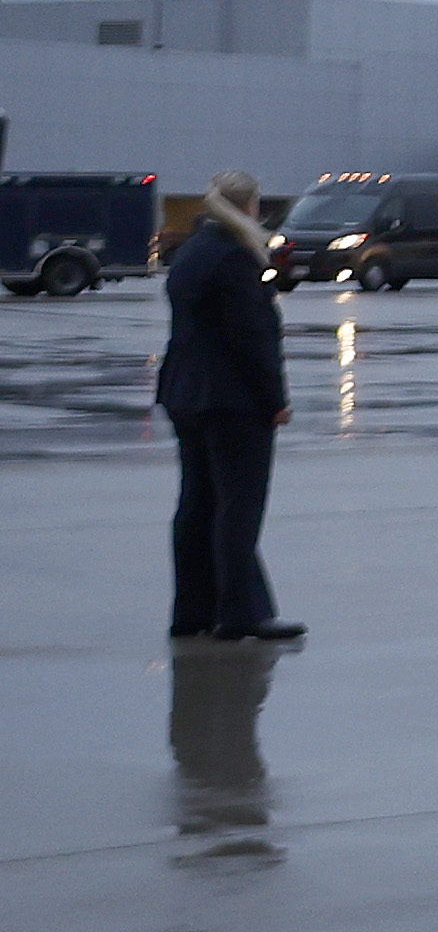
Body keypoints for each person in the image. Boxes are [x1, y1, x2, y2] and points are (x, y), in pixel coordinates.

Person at [159, 168, 299, 646]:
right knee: (237, 508)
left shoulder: (190, 253)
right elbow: (253, 338)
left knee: (197, 504)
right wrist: (275, 400)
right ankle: (241, 613)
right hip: (232, 400)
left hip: (185, 394)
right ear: (249, 206)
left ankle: (192, 611)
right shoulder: (235, 258)